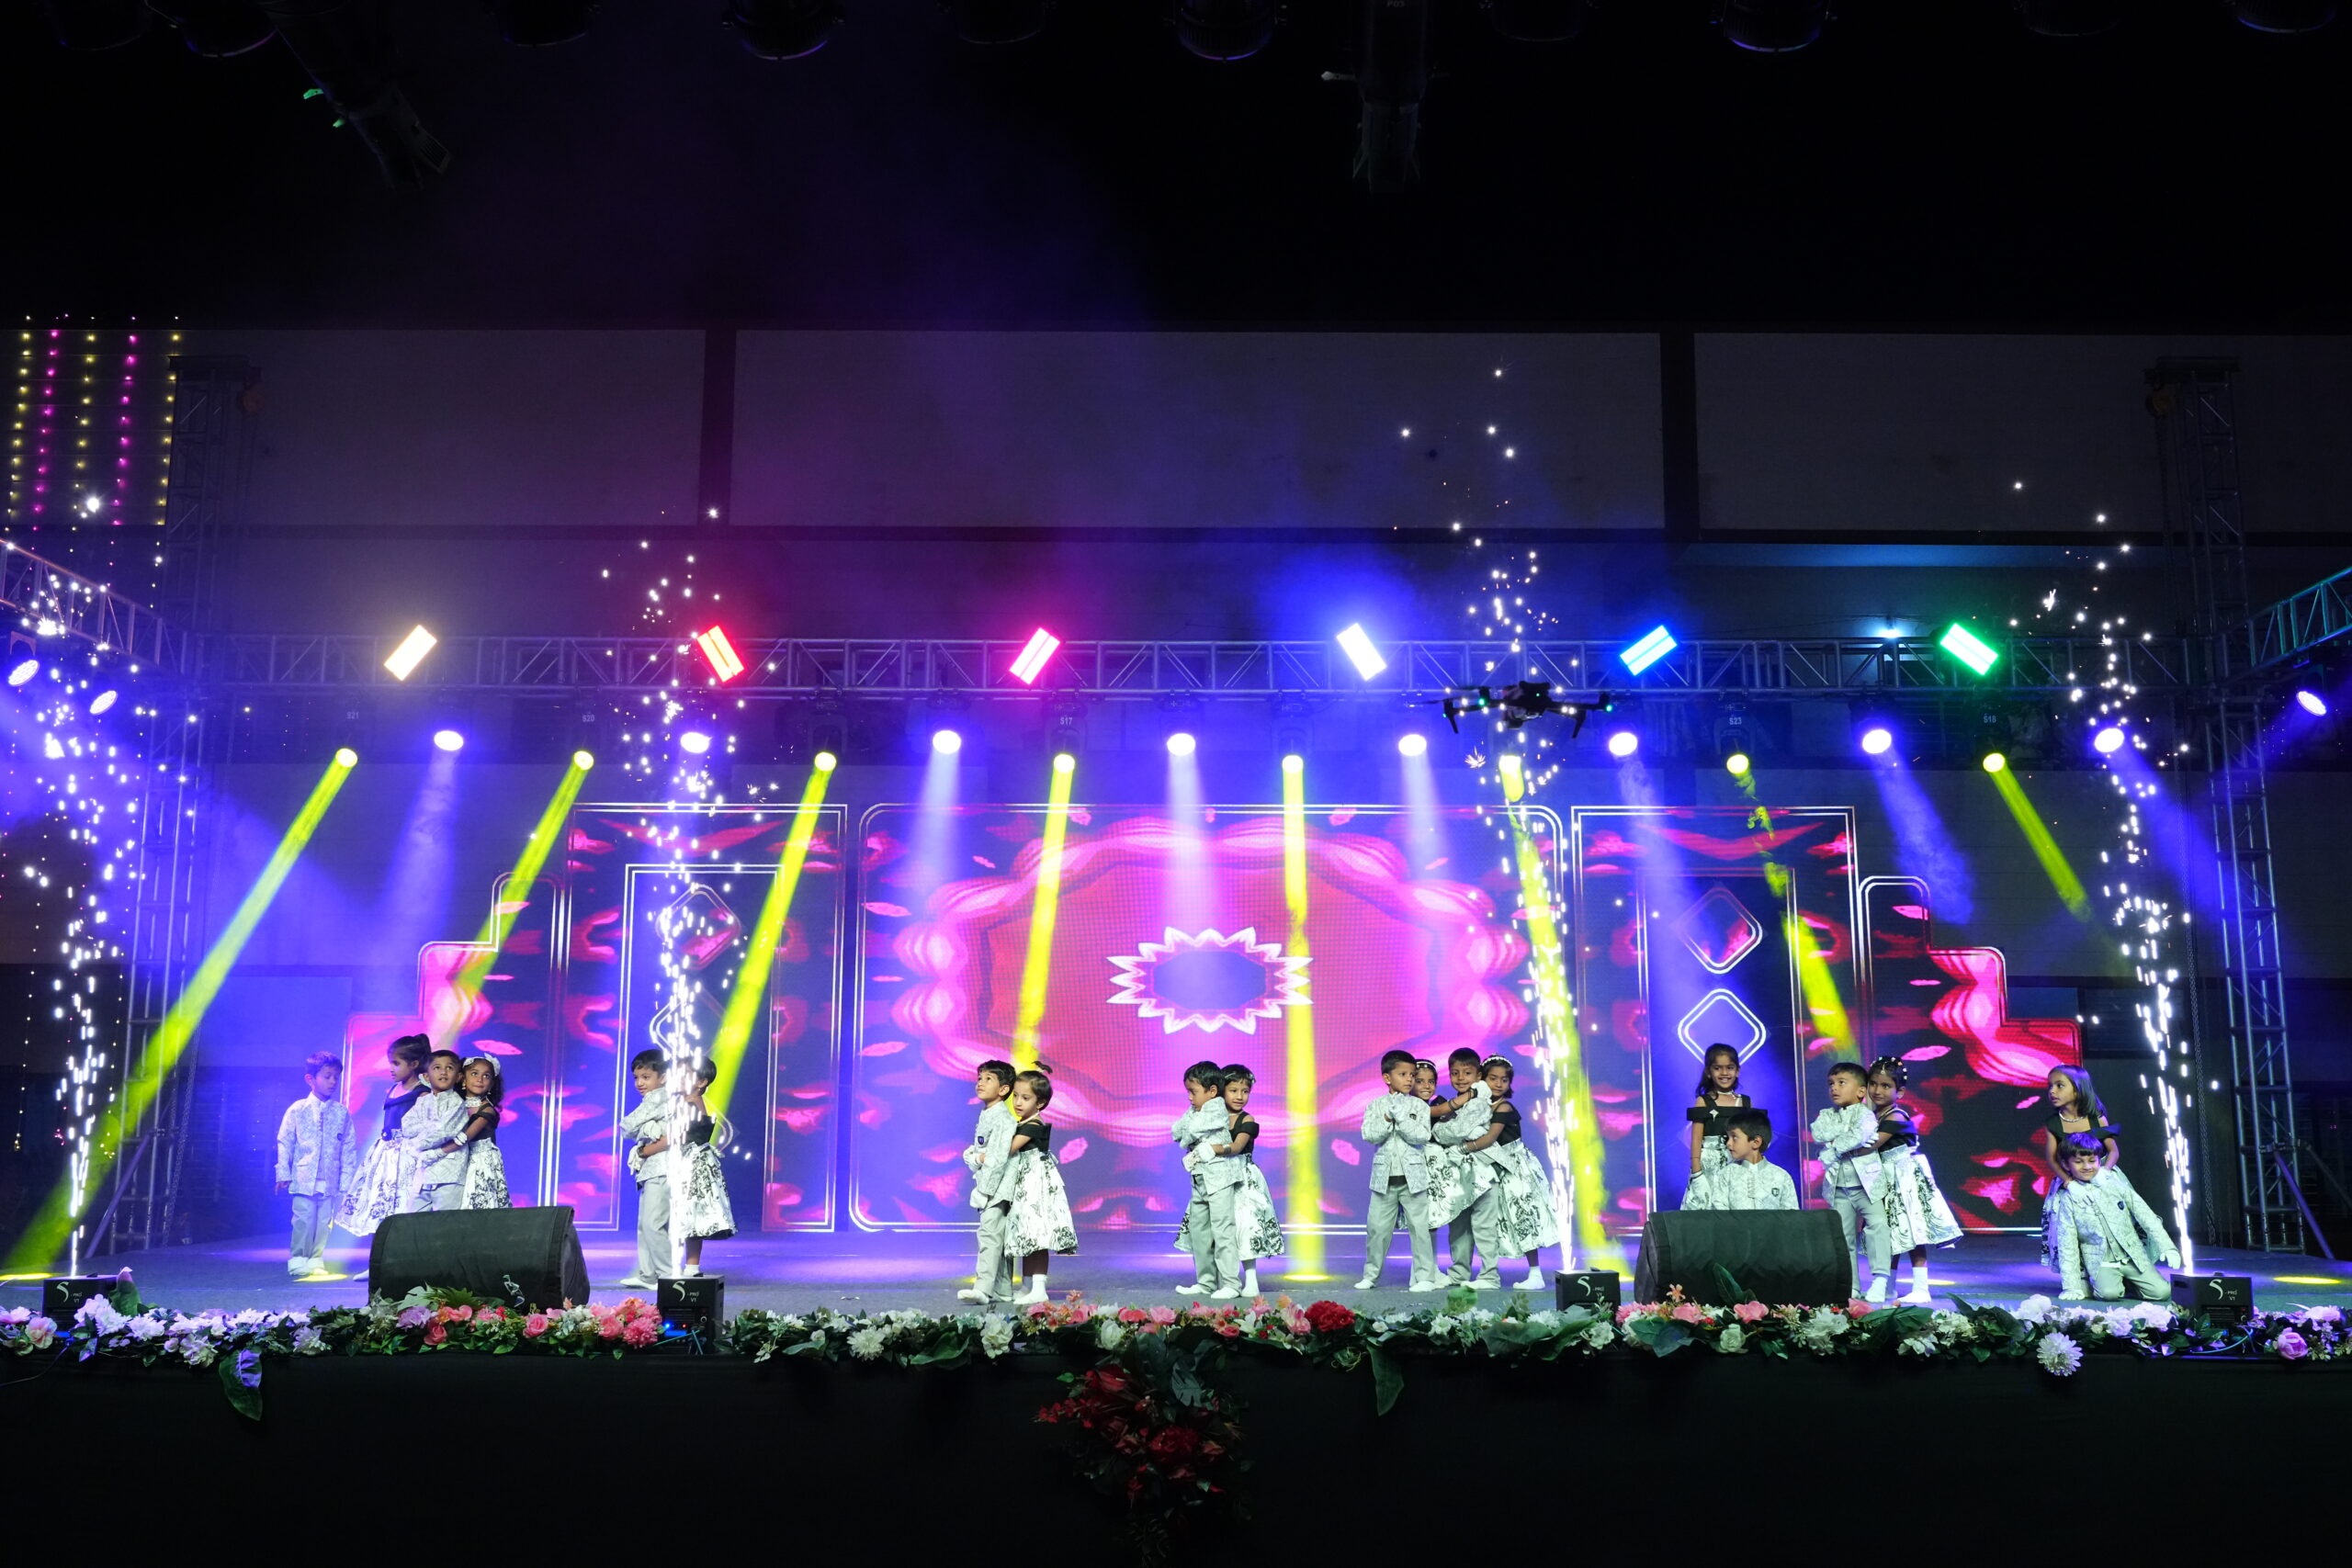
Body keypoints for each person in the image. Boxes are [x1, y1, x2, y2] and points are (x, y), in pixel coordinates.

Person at [1865, 1057, 1961, 1303]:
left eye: (1886, 1086)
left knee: (1912, 1234)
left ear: (1900, 1092)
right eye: (1873, 1084)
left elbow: (1871, 1145)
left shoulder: (1896, 1117)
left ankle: (1921, 1288)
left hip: (1905, 1182)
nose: (1877, 1090)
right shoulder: (1874, 1114)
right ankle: (1888, 1287)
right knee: (1889, 1236)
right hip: (1885, 1180)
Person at [2046, 1133, 2179, 1301]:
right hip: (2102, 1260)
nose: (2087, 1166)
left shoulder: (2115, 1185)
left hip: (2131, 1256)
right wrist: (2071, 1286)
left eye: (2092, 1161)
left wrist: (2168, 1247)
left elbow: (2146, 1216)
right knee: (2109, 1294)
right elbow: (2067, 1243)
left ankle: (2130, 1282)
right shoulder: (2068, 1199)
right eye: (2079, 1162)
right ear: (2066, 1164)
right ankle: (2095, 1281)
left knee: (2162, 1292)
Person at [1464, 1056, 1558, 1291]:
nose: (1498, 1084)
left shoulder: (1504, 1107)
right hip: (1495, 1168)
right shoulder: (1479, 1105)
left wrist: (1462, 1148)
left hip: (1516, 1168)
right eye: (1493, 1078)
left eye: (1504, 1080)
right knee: (1495, 1220)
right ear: (1482, 1079)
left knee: (1524, 1215)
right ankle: (1489, 1274)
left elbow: (1489, 1139)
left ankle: (1535, 1274)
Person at [1355, 1049, 1438, 1292]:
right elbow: (1369, 1135)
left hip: (1414, 1179)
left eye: (1412, 1074)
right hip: (1384, 1180)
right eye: (1403, 1074)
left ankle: (1425, 1277)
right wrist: (1387, 1119)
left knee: (1420, 1230)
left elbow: (1422, 1136)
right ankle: (1371, 1275)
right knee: (1377, 1231)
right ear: (1387, 1077)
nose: (1410, 1079)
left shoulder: (1419, 1106)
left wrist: (1402, 1119)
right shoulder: (1375, 1105)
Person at [335, 1034, 432, 1241]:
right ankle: (382, 1251)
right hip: (385, 1154)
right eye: (390, 1063)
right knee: (379, 1203)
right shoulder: (394, 1089)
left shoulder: (422, 1094)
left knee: (402, 1204)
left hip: (406, 1157)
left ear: (414, 1064)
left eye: (396, 1063)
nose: (391, 1068)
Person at [995, 1066, 1078, 1305]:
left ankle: (1039, 1288)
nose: (1018, 1102)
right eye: (1016, 1096)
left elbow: (1009, 1148)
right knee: (1027, 1235)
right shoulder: (1023, 1122)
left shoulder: (1033, 1125)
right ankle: (1027, 1286)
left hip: (1035, 1186)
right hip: (1025, 1184)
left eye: (1026, 1098)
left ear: (1040, 1103)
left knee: (1037, 1236)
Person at [1202, 1064, 1283, 1299]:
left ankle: (1251, 1280)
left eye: (1245, 1091)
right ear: (1221, 1091)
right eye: (1234, 1090)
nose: (1240, 1096)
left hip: (1243, 1178)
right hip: (1218, 1177)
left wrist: (1212, 1148)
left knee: (1246, 1227)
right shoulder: (1212, 1117)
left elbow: (1237, 1147)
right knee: (1219, 1228)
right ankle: (1223, 1280)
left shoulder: (1247, 1119)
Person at [1811, 1061, 1891, 1300]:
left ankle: (1880, 1280)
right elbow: (1818, 1133)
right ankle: (1851, 1285)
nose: (1834, 1088)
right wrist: (1843, 1137)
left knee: (1878, 1227)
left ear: (1860, 1091)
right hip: (1838, 1187)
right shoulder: (1826, 1115)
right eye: (1831, 1084)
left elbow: (1859, 1134)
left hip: (1866, 1185)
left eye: (1841, 1083)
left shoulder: (1865, 1114)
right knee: (1843, 1237)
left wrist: (1834, 1148)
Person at [276, 1051, 359, 1279]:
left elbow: (348, 1149)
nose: (333, 1082)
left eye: (336, 1077)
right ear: (310, 1079)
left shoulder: (341, 1112)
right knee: (303, 1219)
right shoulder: (297, 1109)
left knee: (324, 1222)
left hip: (329, 1178)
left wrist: (346, 1183)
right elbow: (285, 1141)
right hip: (304, 1176)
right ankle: (298, 1258)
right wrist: (283, 1172)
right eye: (327, 1076)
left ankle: (315, 1258)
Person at [1430, 1046, 1503, 1288]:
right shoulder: (1454, 1103)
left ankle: (1490, 1276)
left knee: (1484, 1226)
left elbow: (1452, 1132)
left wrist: (1441, 1127)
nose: (1461, 1078)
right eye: (1455, 1073)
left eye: (1467, 1073)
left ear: (1479, 1076)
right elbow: (1447, 1132)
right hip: (1458, 1176)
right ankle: (1459, 1274)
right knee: (1458, 1228)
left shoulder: (1479, 1100)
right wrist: (1445, 1127)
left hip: (1483, 1174)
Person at [958, 1058, 1020, 1303]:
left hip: (998, 1187)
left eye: (988, 1079)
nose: (980, 1083)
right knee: (998, 1238)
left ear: (1003, 1089)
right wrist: (975, 1157)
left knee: (989, 1236)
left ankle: (983, 1289)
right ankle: (1003, 1290)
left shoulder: (1003, 1119)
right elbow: (976, 1152)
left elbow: (996, 1159)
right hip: (993, 1185)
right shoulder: (988, 1114)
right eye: (979, 1078)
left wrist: (985, 1191)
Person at [1168, 1060, 1226, 1295]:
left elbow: (1189, 1133)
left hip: (1218, 1179)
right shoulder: (1195, 1111)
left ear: (1212, 1091)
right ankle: (1206, 1282)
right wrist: (1186, 1133)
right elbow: (1176, 1131)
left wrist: (1187, 1134)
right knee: (1199, 1231)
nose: (1189, 1097)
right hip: (1199, 1179)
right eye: (1188, 1092)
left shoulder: (1216, 1108)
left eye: (1193, 1092)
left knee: (1221, 1233)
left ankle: (1229, 1283)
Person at [618, 1049, 673, 1290]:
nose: (640, 1083)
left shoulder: (658, 1097)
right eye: (636, 1078)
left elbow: (627, 1126)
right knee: (645, 1225)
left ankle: (667, 1275)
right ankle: (648, 1275)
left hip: (663, 1167)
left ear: (663, 1077)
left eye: (646, 1077)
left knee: (652, 1224)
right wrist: (647, 1129)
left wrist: (642, 1134)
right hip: (652, 1169)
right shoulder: (657, 1099)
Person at [676, 1058, 736, 1275]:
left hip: (690, 1165)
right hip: (693, 1163)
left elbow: (677, 1137)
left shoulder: (690, 1105)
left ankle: (686, 1266)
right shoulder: (689, 1102)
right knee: (690, 1216)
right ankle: (691, 1266)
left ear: (701, 1082)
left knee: (688, 1214)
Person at [1681, 1110, 1798, 1211]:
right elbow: (1720, 1214)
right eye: (1728, 1137)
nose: (1728, 1143)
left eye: (1734, 1137)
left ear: (1756, 1142)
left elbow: (1790, 1217)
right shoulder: (1726, 1175)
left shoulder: (1781, 1176)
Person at [404, 1049, 471, 1213]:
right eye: (437, 1068)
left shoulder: (457, 1103)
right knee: (412, 1221)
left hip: (449, 1174)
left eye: (449, 1068)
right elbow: (407, 1127)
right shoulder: (422, 1101)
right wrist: (431, 1125)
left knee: (445, 1223)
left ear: (458, 1076)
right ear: (426, 1077)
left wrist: (417, 1143)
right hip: (422, 1174)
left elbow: (443, 1132)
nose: (443, 1072)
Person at [2040, 1066, 2120, 1179]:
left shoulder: (2097, 1119)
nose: (2052, 1091)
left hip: (2101, 1175)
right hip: (2070, 1179)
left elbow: (2113, 1151)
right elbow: (2051, 1160)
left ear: (2078, 1089)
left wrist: (2104, 1172)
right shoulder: (2052, 1124)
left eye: (2060, 1086)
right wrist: (2068, 1181)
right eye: (2050, 1086)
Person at [1687, 1043, 1750, 1182]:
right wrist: (1697, 1174)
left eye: (1730, 1068)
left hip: (1738, 1168)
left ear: (1737, 1071)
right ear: (1708, 1072)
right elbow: (1696, 1140)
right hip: (1709, 1170)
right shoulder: (1703, 1101)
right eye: (1717, 1068)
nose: (1724, 1073)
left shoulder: (1745, 1102)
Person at [454, 1055, 511, 1211]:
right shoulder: (455, 1104)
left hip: (480, 1162)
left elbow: (464, 1138)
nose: (480, 1079)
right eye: (474, 1074)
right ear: (463, 1078)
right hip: (460, 1158)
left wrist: (439, 1151)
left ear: (491, 1084)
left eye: (486, 1076)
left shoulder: (487, 1110)